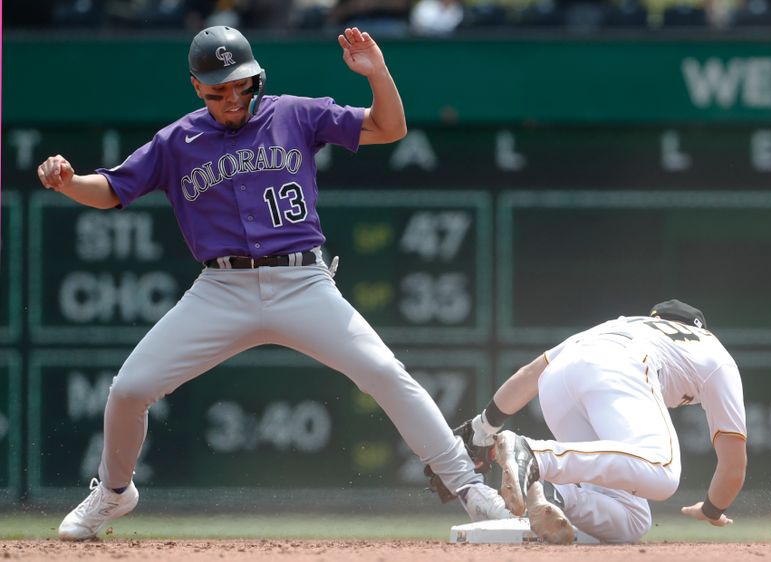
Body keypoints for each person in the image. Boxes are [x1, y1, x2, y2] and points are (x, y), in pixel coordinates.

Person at [37, 25, 511, 541]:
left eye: (241, 84)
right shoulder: (177, 141)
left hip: (302, 280)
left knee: (383, 372)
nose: (232, 98)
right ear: (197, 86)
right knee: (129, 390)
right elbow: (110, 190)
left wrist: (377, 73)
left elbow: (388, 127)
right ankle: (113, 492)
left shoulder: (294, 113)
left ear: (256, 77)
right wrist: (69, 181)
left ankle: (468, 487)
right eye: (218, 89)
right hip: (221, 289)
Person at [464, 299, 748, 543]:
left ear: (656, 320)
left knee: (632, 519)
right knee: (663, 472)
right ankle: (535, 456)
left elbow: (529, 375)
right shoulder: (715, 353)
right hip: (622, 367)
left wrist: (483, 428)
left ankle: (554, 494)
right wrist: (711, 509)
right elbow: (733, 466)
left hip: (558, 381)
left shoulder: (624, 324)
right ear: (700, 328)